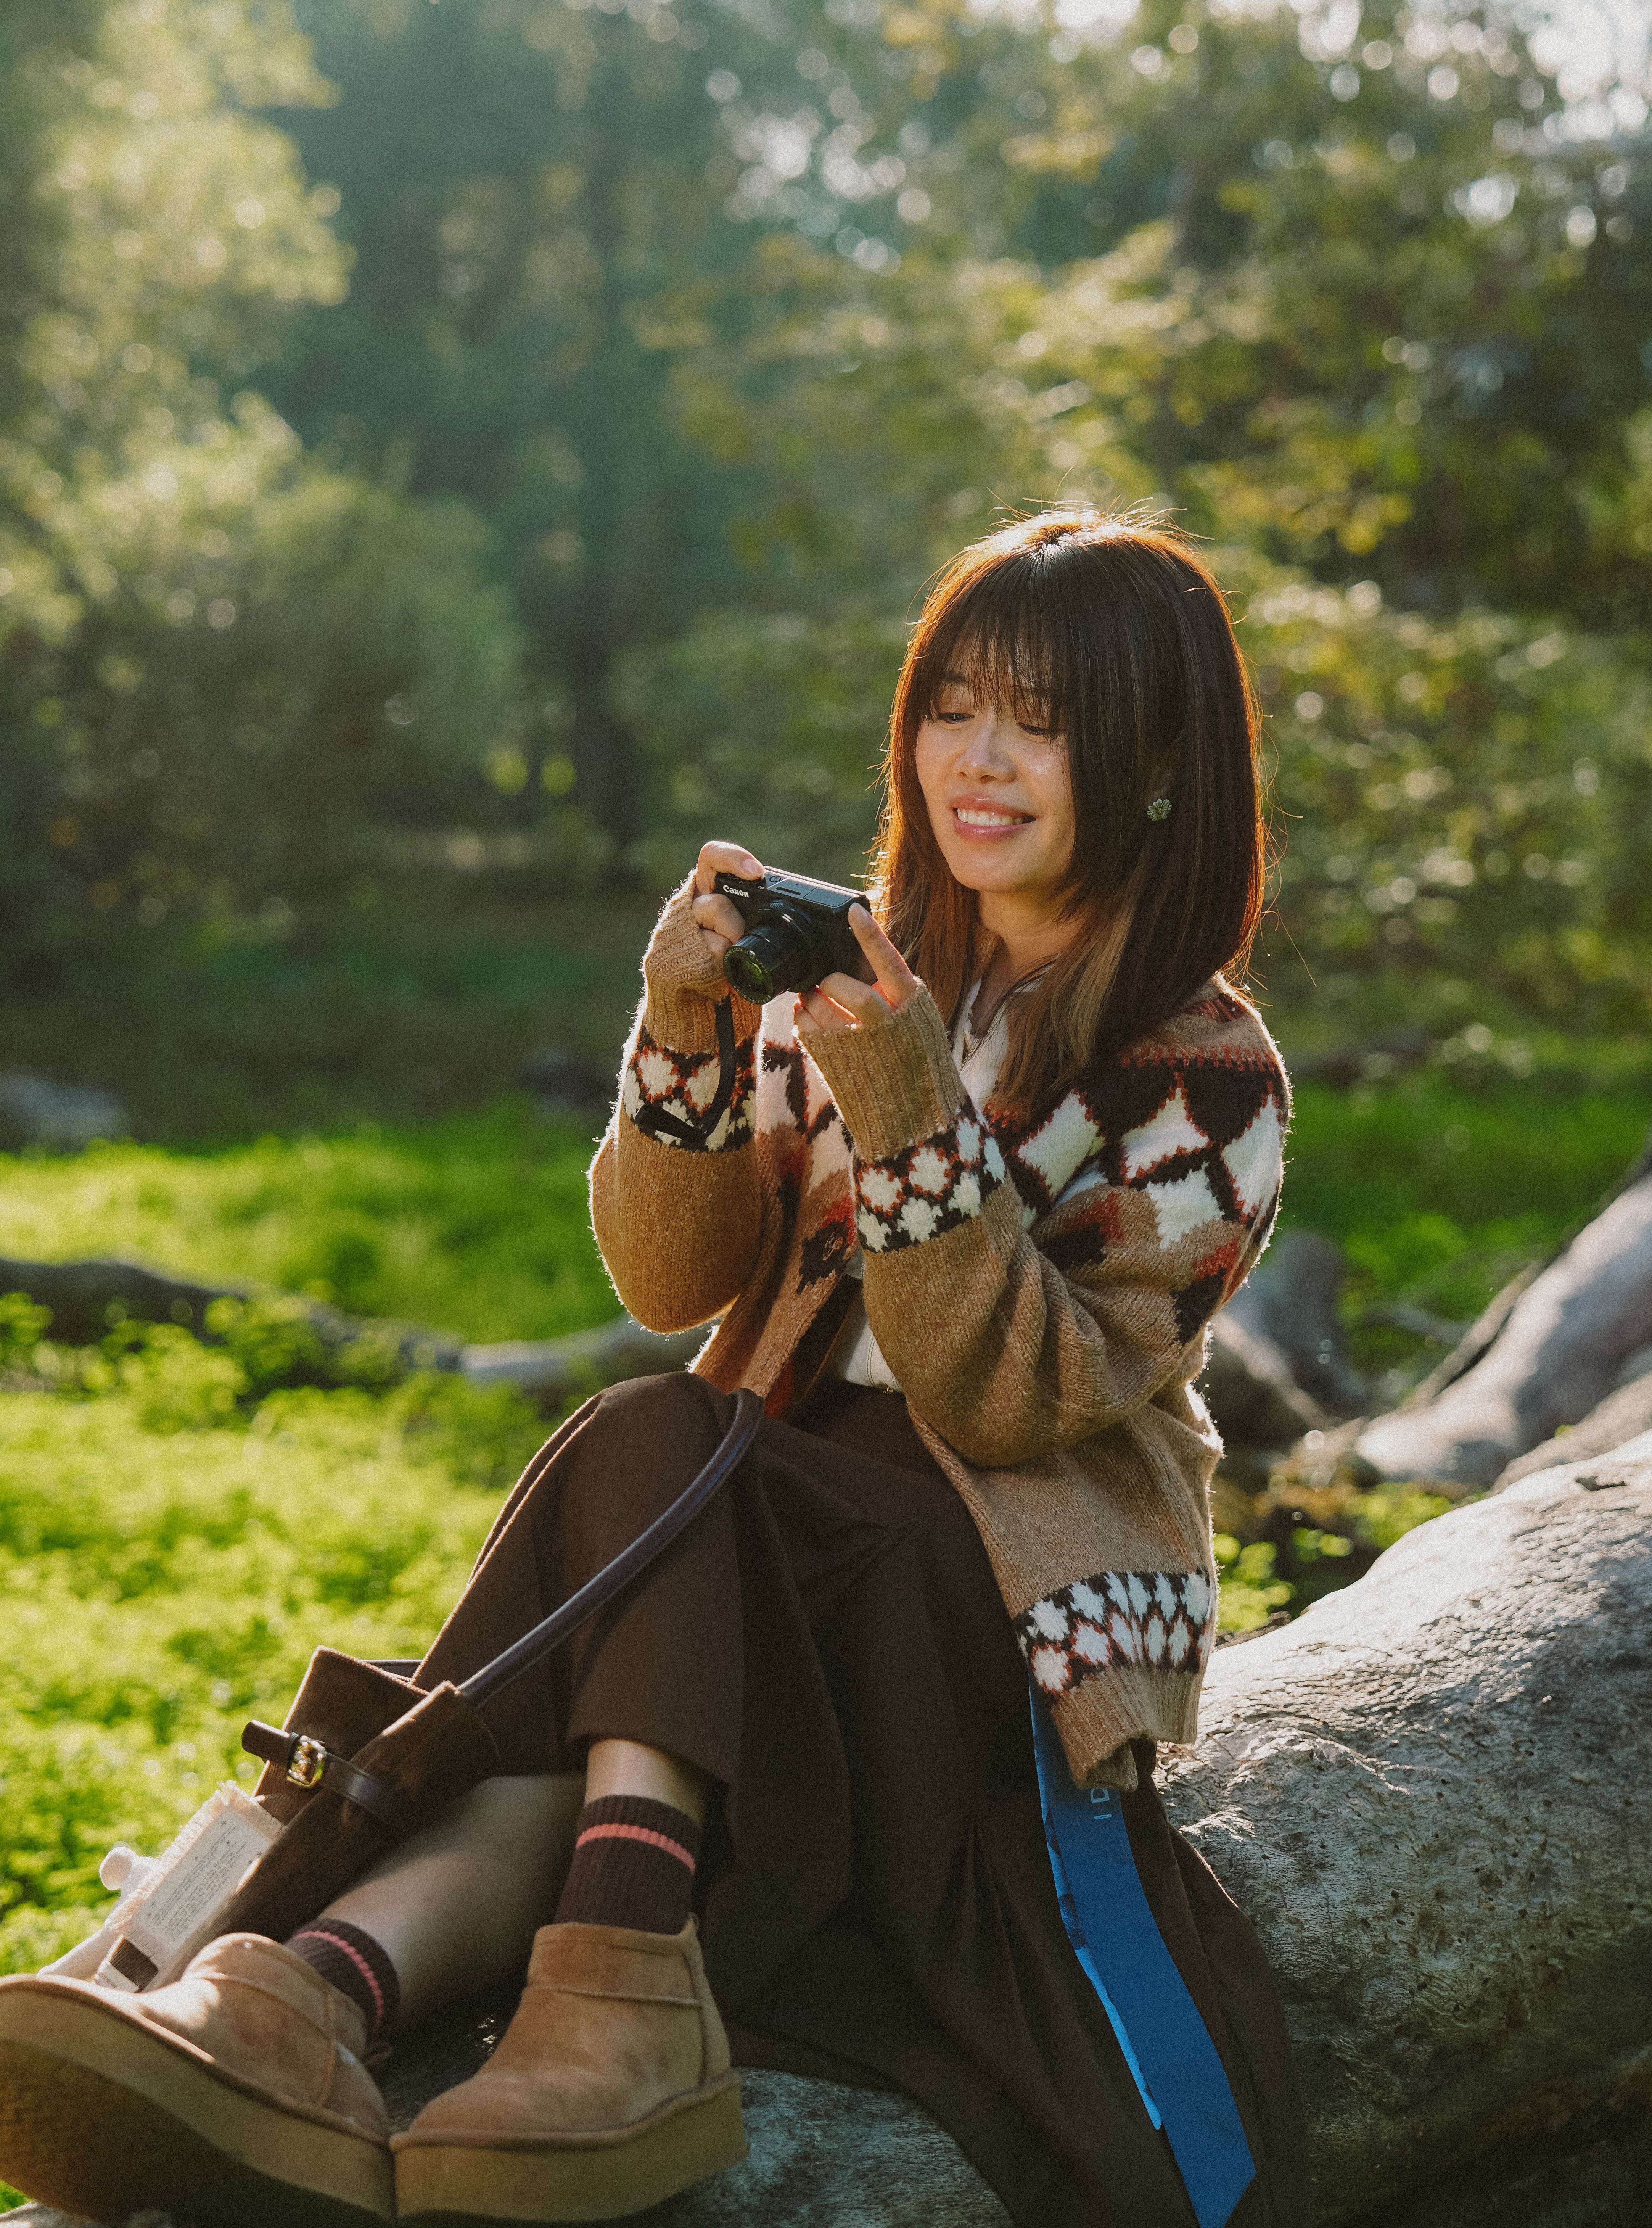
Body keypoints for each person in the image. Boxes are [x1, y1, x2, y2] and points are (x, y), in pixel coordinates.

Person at [0, 510, 1307, 2228]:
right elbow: (675, 1271)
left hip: (984, 1614)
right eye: (952, 705)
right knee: (648, 1539)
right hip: (741, 1540)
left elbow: (1005, 1402)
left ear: (1153, 762)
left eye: (1042, 720)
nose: (976, 759)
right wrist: (686, 1030)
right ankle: (318, 1997)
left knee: (656, 1451)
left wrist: (902, 1082)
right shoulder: (845, 981)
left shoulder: (1202, 1074)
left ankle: (505, 1974)